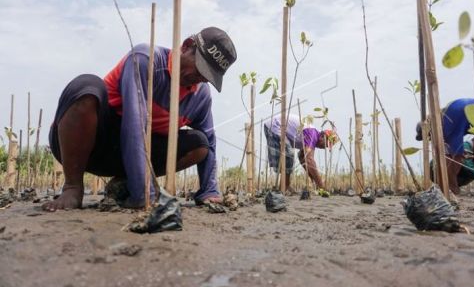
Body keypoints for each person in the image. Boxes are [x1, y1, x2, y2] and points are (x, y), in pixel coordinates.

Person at [43, 27, 237, 211]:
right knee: (86, 86)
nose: (199, 79)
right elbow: (135, 125)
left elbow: (209, 142)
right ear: (186, 46)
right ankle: (72, 187)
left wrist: (209, 190)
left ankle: (124, 184)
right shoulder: (146, 60)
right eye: (199, 69)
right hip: (89, 145)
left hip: (122, 160)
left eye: (207, 76)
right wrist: (145, 194)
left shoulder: (200, 96)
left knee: (199, 144)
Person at [264, 114, 337, 192]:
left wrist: (312, 177)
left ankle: (284, 186)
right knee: (288, 154)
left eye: (327, 146)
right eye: (326, 144)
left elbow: (302, 157)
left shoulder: (312, 138)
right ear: (323, 136)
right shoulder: (312, 135)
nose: (324, 147)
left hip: (274, 126)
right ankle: (284, 186)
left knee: (288, 155)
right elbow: (309, 160)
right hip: (275, 125)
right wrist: (321, 185)